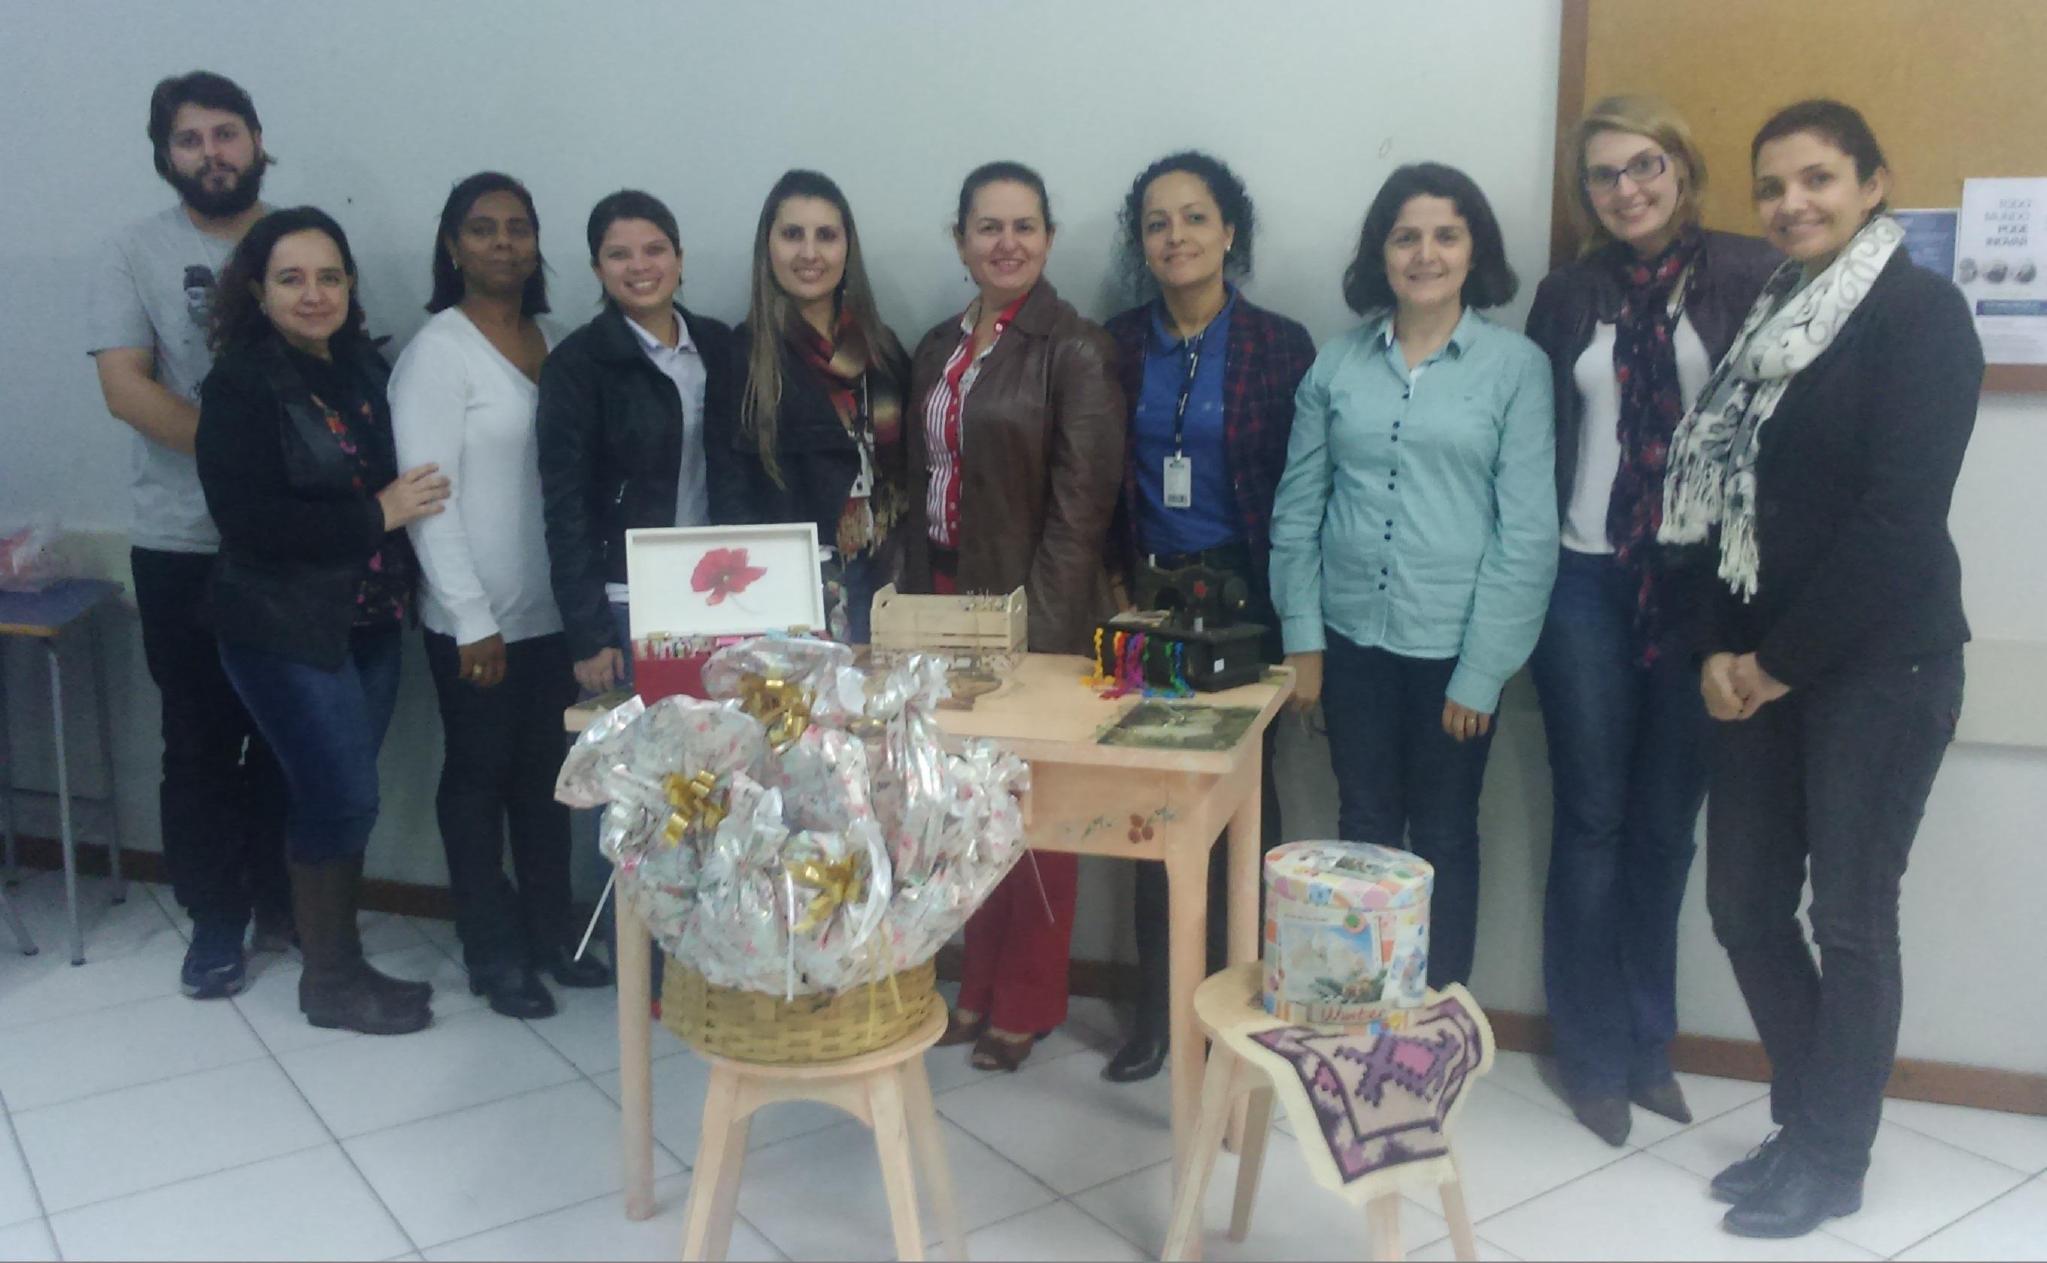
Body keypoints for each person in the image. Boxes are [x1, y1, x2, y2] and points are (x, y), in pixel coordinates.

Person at [1659, 100, 1981, 1240]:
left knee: (1848, 920)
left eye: (1818, 179)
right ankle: (1805, 1123)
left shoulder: (1920, 316)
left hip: (1880, 669)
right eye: (1772, 186)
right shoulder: (1767, 324)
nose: (1791, 203)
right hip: (1753, 668)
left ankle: (1832, 1157)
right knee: (1743, 906)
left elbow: (1898, 519)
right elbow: (1712, 507)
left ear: (1872, 183)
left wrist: (1776, 664)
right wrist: (1715, 649)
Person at [1522, 96, 1780, 1147]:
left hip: (1697, 592)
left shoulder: (1749, 275)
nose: (1625, 189)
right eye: (1603, 175)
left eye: (1643, 165)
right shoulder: (1567, 295)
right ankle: (1588, 1053)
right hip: (1582, 580)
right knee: (1591, 821)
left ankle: (1646, 1044)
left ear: (1679, 166)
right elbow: (1535, 434)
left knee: (1666, 828)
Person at [1269, 163, 1557, 991]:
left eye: (1445, 235)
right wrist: (1302, 641)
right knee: (1361, 825)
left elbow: (1525, 535)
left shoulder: (1515, 368)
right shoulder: (1336, 364)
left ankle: (1433, 1012)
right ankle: (1361, 1006)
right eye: (1405, 237)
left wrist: (1482, 670)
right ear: (1380, 253)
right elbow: (1297, 510)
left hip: (1453, 650)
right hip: (1349, 640)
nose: (1424, 254)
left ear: (1474, 251)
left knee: (1443, 834)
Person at [195, 206, 448, 1035]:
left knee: (337, 796)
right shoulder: (239, 384)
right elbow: (248, 522)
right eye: (291, 279)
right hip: (282, 627)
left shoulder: (361, 368)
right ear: (257, 292)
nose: (314, 294)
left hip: (367, 618)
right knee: (341, 796)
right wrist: (378, 513)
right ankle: (330, 981)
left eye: (329, 277)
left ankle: (324, 950)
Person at [1098, 151, 1316, 1083]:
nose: (1175, 236)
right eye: (1156, 222)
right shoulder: (1113, 344)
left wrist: (1301, 625)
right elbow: (1096, 477)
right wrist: (1112, 582)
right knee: (1154, 805)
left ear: (1230, 231)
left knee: (1246, 806)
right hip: (1145, 596)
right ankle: (1160, 1010)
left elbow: (1306, 493)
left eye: (1194, 217)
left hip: (1246, 596)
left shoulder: (1280, 345)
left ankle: (1244, 1009)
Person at [903, 161, 1124, 1072]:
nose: (1006, 243)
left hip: (1028, 606)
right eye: (987, 226)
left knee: (1035, 816)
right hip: (939, 599)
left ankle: (1026, 999)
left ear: (1048, 237)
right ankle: (977, 982)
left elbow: (1080, 514)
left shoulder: (1075, 349)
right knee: (962, 809)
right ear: (959, 239)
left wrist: (1040, 636)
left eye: (1024, 226)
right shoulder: (935, 347)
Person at [87, 70, 290, 999]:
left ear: (256, 139)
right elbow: (125, 387)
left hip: (289, 543)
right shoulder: (134, 249)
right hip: (182, 544)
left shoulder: (298, 240)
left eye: (226, 132)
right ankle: (215, 919)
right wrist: (238, 459)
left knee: (289, 735)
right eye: (189, 139)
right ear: (165, 156)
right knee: (200, 742)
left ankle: (284, 900)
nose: (211, 152)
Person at [391, 172, 608, 1021]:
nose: (503, 242)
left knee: (547, 782)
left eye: (518, 227)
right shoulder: (437, 354)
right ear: (452, 246)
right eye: (482, 228)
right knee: (478, 783)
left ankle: (550, 934)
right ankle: (491, 950)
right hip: (474, 623)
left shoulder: (555, 342)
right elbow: (427, 500)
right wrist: (470, 618)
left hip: (554, 615)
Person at [537, 190, 739, 695]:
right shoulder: (576, 365)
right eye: (619, 254)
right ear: (597, 268)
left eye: (654, 250)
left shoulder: (721, 346)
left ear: (679, 258)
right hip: (627, 599)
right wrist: (588, 633)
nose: (640, 266)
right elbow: (566, 507)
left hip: (722, 592)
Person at [709, 170, 910, 644]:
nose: (809, 253)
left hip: (890, 578)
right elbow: (730, 497)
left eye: (826, 236)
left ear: (847, 248)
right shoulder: (742, 357)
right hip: (798, 591)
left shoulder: (881, 349)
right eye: (792, 234)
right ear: (768, 247)